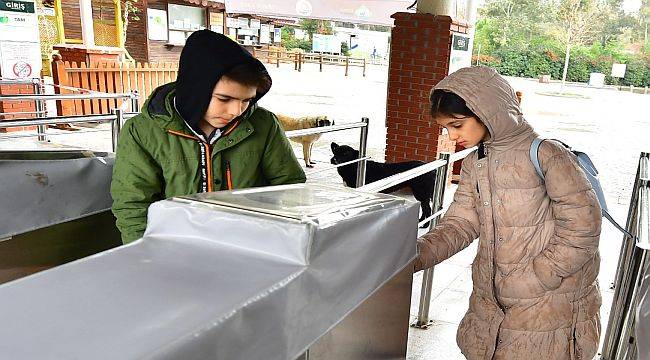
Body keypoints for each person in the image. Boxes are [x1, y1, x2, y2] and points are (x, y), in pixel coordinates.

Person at [415, 66, 601, 360]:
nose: (452, 136)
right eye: (446, 128)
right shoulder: (477, 160)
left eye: (458, 124)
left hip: (548, 305)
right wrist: (413, 254)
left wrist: (535, 278)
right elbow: (462, 222)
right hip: (493, 303)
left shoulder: (547, 155)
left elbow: (583, 230)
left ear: (488, 112)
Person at [111, 30, 306, 244]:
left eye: (247, 100)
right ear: (196, 89)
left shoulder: (264, 124)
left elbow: (290, 188)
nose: (236, 111)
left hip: (250, 245)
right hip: (175, 248)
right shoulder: (142, 132)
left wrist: (275, 240)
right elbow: (133, 206)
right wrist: (145, 254)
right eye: (224, 98)